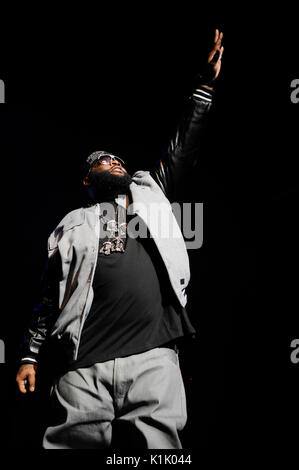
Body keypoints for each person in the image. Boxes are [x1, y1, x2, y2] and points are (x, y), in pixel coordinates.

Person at [16, 29, 224, 449]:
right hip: (83, 365)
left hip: (153, 356)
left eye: (116, 158)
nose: (111, 161)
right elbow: (47, 293)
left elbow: (183, 146)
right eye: (100, 161)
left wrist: (203, 87)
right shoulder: (73, 223)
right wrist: (28, 355)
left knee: (163, 451)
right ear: (87, 180)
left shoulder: (152, 194)